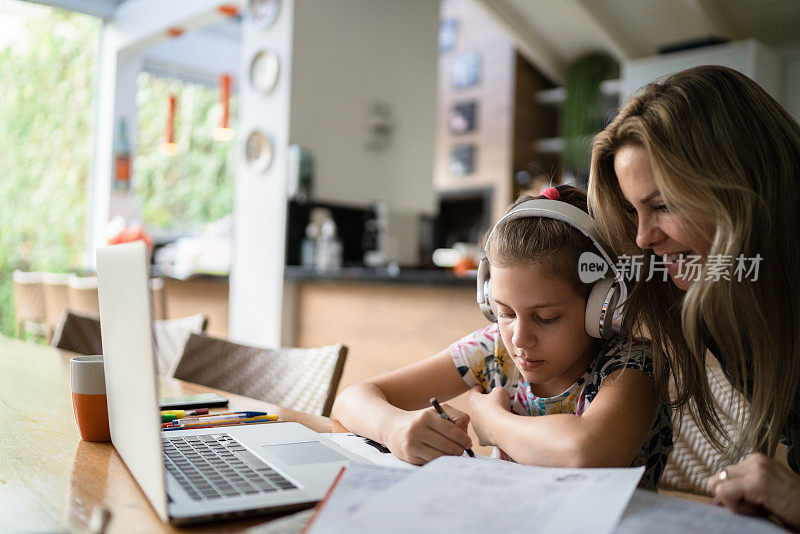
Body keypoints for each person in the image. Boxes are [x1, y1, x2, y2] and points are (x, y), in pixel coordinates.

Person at [332, 185, 673, 488]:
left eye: (546, 317)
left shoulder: (631, 366)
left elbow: (586, 451)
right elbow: (352, 399)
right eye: (506, 313)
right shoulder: (492, 348)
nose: (519, 338)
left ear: (602, 305)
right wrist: (395, 427)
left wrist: (491, 421)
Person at [589, 65, 800, 527]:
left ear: (745, 184)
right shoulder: (724, 304)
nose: (642, 238)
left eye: (663, 204)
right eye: (633, 210)